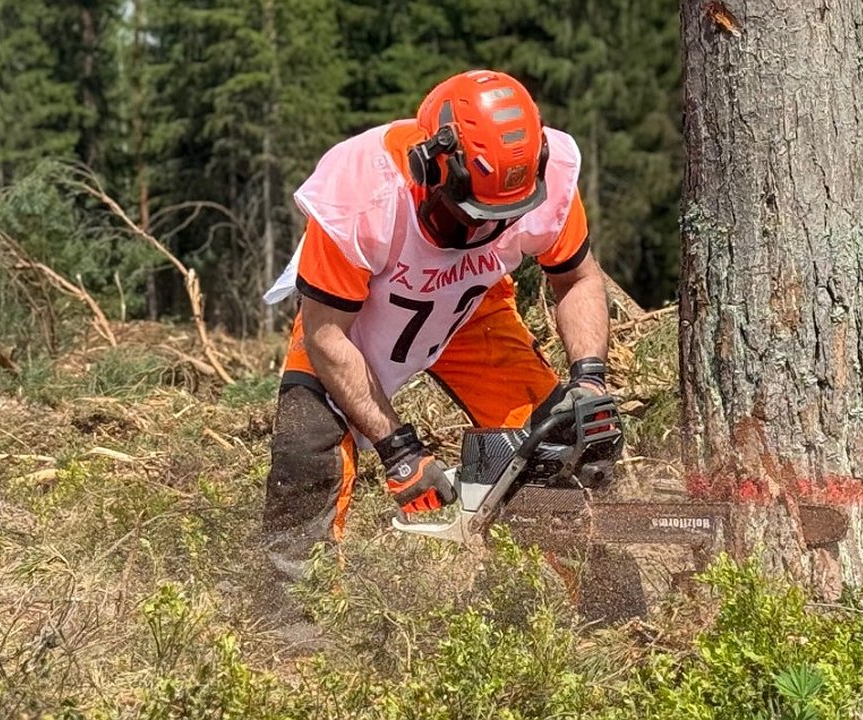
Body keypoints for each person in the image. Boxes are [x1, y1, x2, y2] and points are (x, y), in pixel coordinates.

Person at [260, 69, 615, 577]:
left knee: (558, 441)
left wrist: (588, 378)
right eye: (473, 212)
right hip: (357, 318)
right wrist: (399, 449)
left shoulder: (548, 170)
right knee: (306, 454)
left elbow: (578, 278)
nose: (488, 228)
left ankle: (609, 607)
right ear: (432, 166)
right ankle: (292, 628)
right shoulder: (364, 190)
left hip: (470, 311)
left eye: (505, 215)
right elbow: (325, 332)